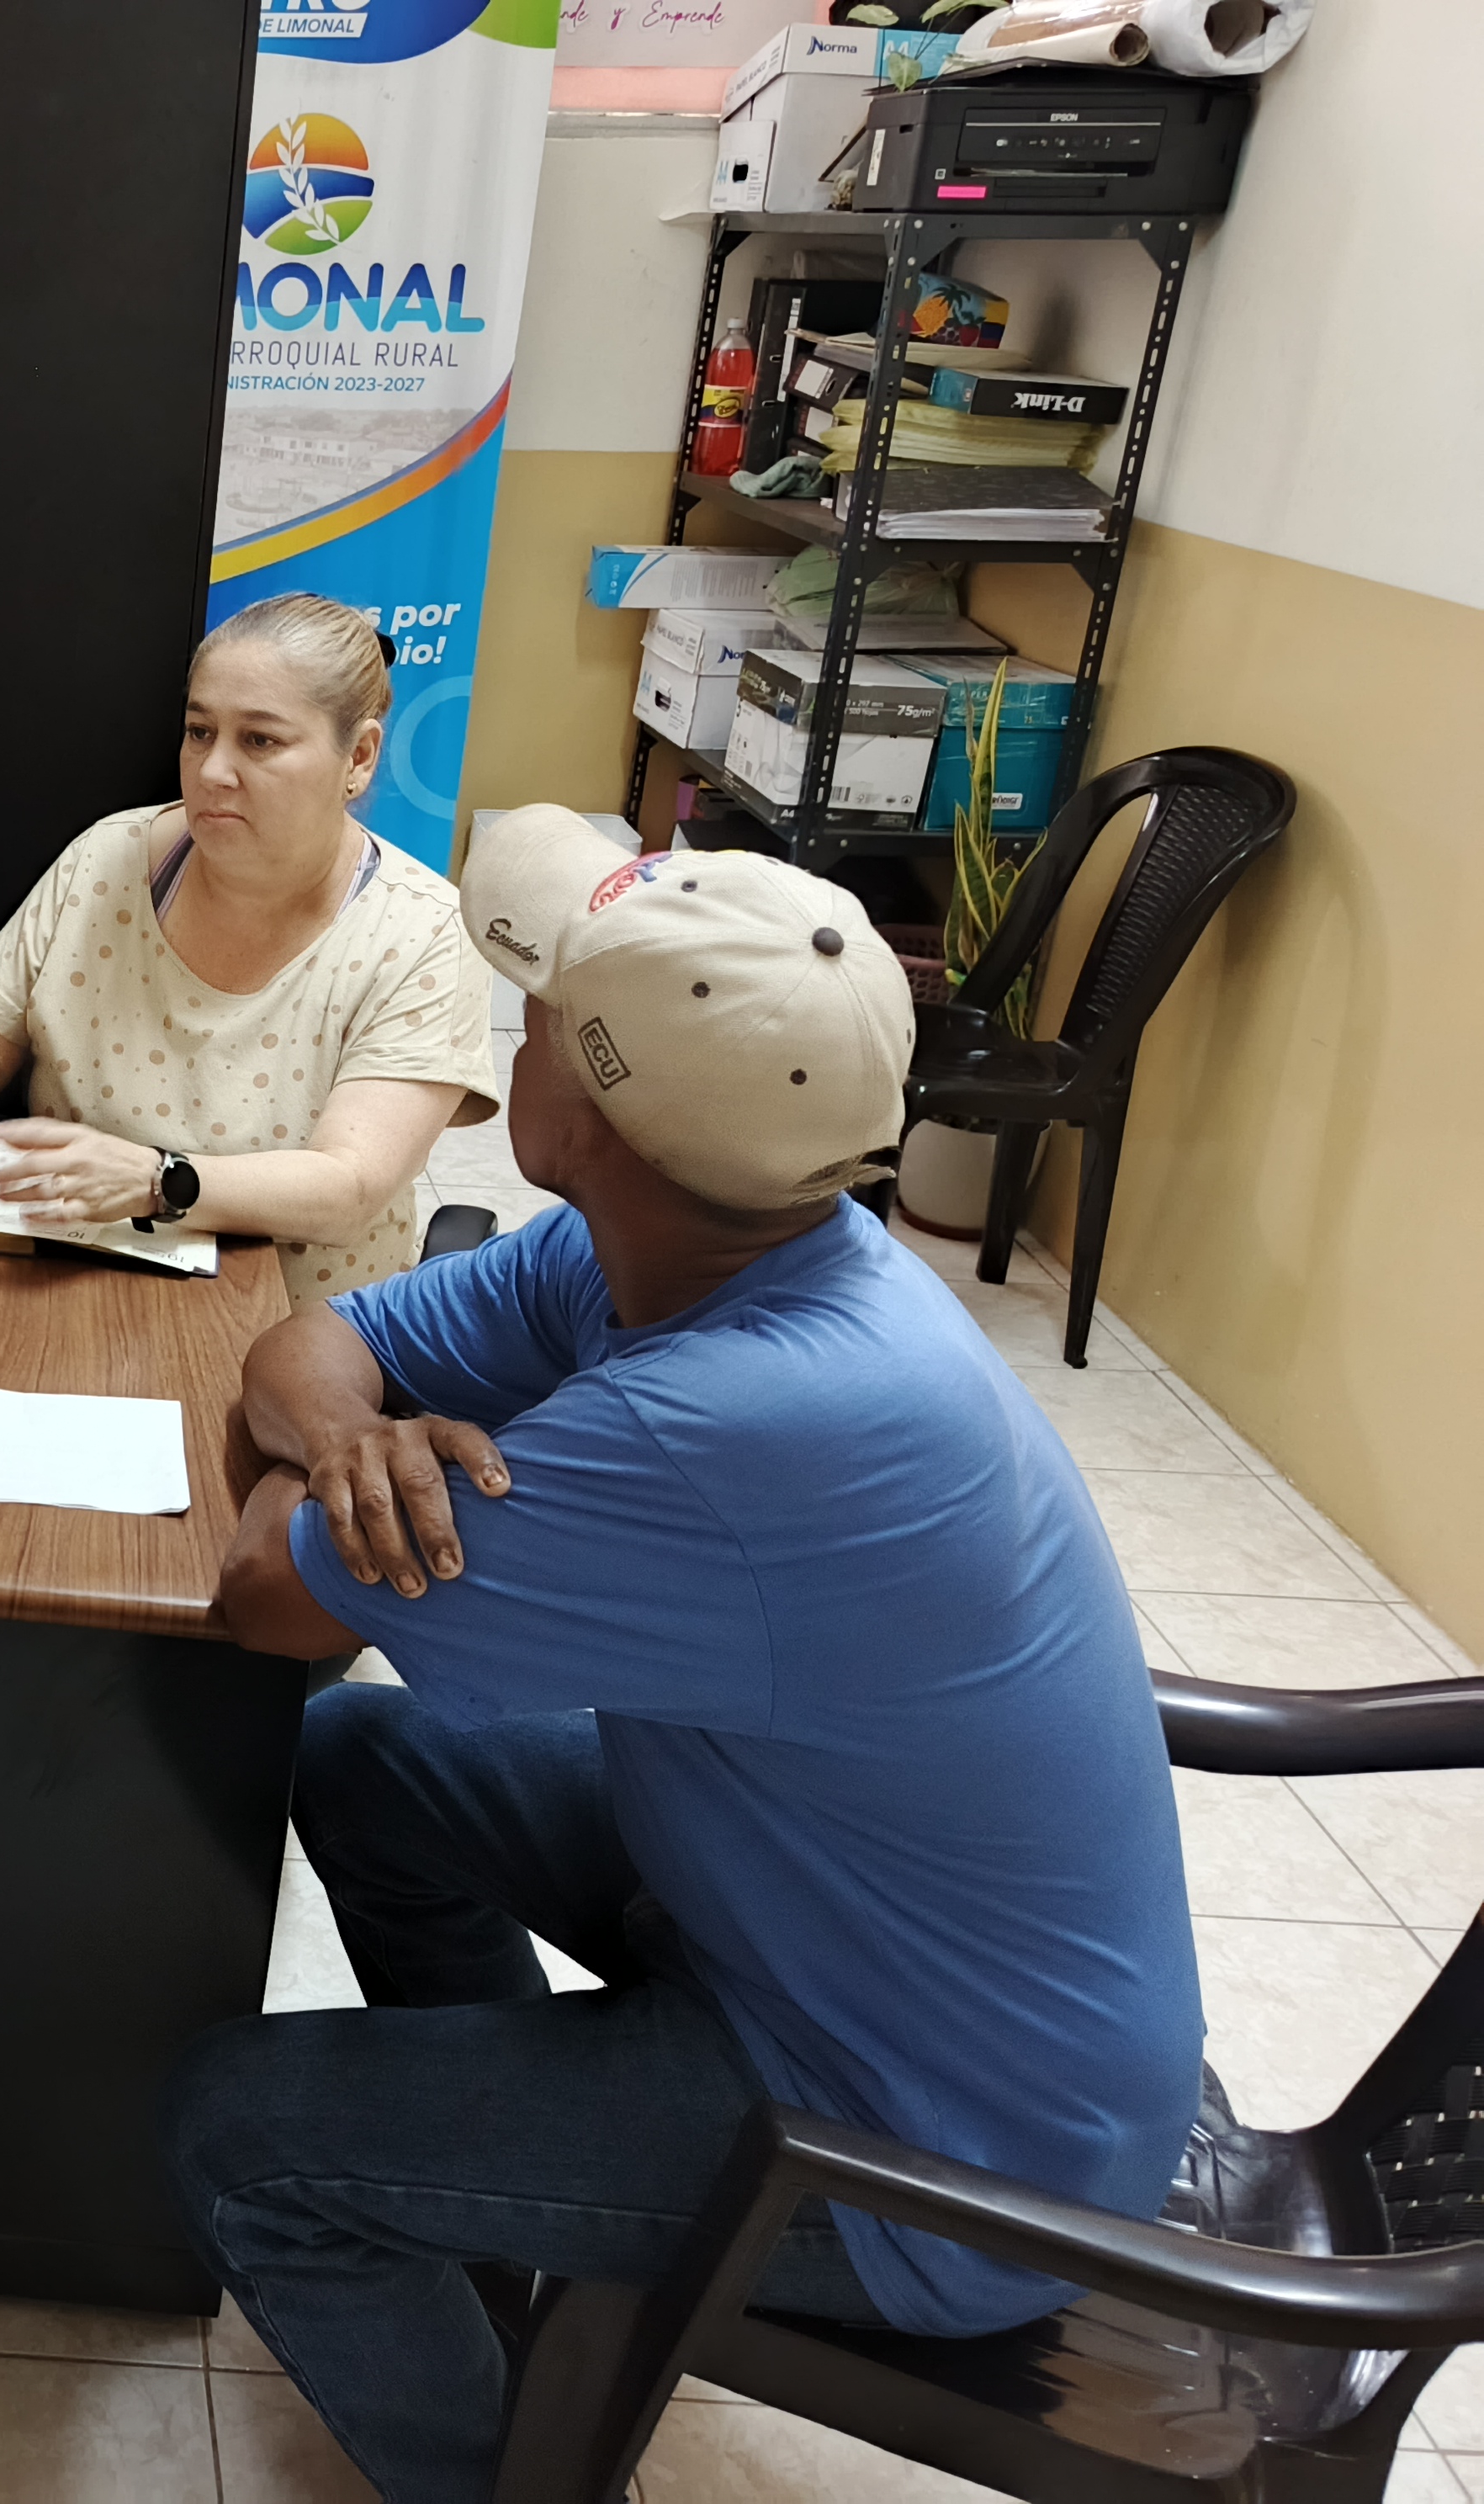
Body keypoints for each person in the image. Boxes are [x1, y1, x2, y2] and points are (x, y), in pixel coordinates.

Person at [172, 806, 1203, 2504]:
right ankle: (509, 2227)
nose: (513, 1031)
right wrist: (353, 1445)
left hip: (934, 2156)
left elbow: (259, 1600)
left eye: (535, 1014)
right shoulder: (706, 1238)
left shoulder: (725, 1426)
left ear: (574, 1116)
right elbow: (318, 1340)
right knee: (364, 1758)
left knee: (237, 2130)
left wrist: (320, 1482)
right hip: (837, 1950)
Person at [0, 593, 496, 1303]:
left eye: (259, 741)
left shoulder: (426, 932)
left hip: (298, 1323)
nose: (212, 770)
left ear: (358, 757)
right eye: (200, 732)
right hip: (71, 1280)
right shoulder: (105, 858)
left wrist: (157, 1181)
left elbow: (349, 1185)